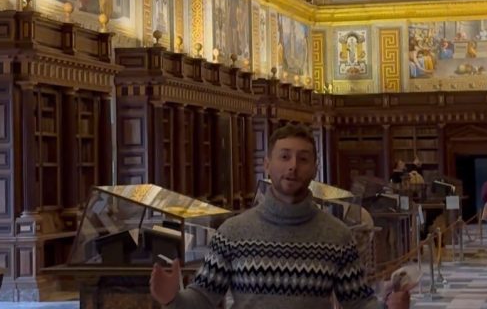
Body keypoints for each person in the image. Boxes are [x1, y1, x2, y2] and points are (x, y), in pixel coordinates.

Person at [150, 123, 377, 308]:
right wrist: (172, 299)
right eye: (284, 157)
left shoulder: (337, 235)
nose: (293, 166)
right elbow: (203, 296)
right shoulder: (232, 232)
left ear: (315, 169)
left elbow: (358, 302)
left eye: (303, 159)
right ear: (267, 165)